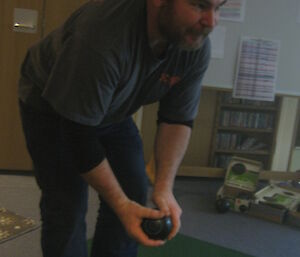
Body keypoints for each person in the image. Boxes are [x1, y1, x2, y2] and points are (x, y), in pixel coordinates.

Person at [18, 0, 226, 256]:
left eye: (218, 7)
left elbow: (177, 119)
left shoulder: (193, 43)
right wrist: (119, 204)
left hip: (113, 109)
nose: (211, 21)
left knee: (134, 191)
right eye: (199, 5)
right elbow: (78, 135)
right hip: (52, 107)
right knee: (67, 206)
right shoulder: (101, 37)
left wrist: (164, 187)